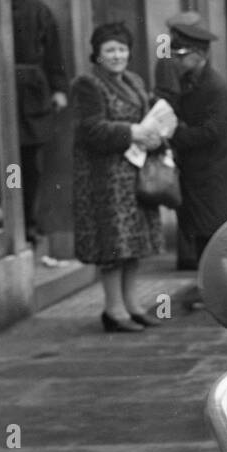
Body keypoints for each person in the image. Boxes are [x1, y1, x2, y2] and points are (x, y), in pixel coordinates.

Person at [71, 22, 173, 333]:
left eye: (121, 49)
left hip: (135, 174)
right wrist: (132, 132)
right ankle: (113, 310)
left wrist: (156, 137)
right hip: (105, 179)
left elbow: (150, 119)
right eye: (109, 50)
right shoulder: (88, 84)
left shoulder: (135, 81)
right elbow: (90, 129)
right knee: (113, 245)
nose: (117, 55)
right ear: (97, 55)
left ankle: (133, 305)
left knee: (134, 244)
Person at [167, 13, 227, 308]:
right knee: (200, 229)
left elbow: (213, 130)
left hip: (214, 169)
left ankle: (220, 289)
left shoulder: (215, 86)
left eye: (181, 54)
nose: (176, 59)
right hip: (198, 167)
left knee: (212, 229)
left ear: (199, 55)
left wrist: (177, 134)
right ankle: (208, 286)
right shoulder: (189, 79)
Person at [10, 0, 69, 245]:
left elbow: (54, 54)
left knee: (31, 163)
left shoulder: (39, 11)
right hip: (3, 92)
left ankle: (31, 222)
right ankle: (13, 221)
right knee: (9, 162)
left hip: (32, 95)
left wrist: (59, 89)